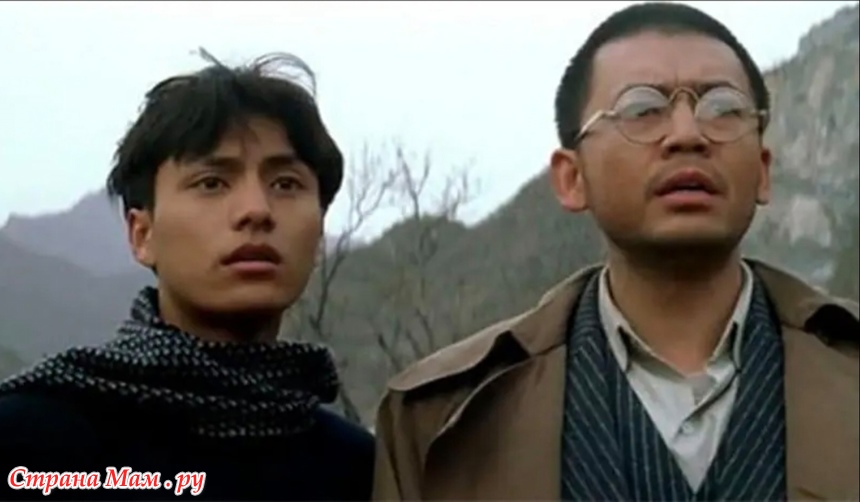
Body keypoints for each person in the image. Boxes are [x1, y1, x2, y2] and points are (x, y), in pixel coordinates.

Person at [372, 3, 859, 501]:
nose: (687, 135)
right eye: (643, 110)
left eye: (722, 109)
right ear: (572, 178)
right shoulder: (439, 418)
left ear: (763, 170)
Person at [0, 52, 374, 501]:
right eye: (212, 183)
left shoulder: (360, 469)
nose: (257, 210)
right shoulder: (33, 442)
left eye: (286, 184)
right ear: (142, 234)